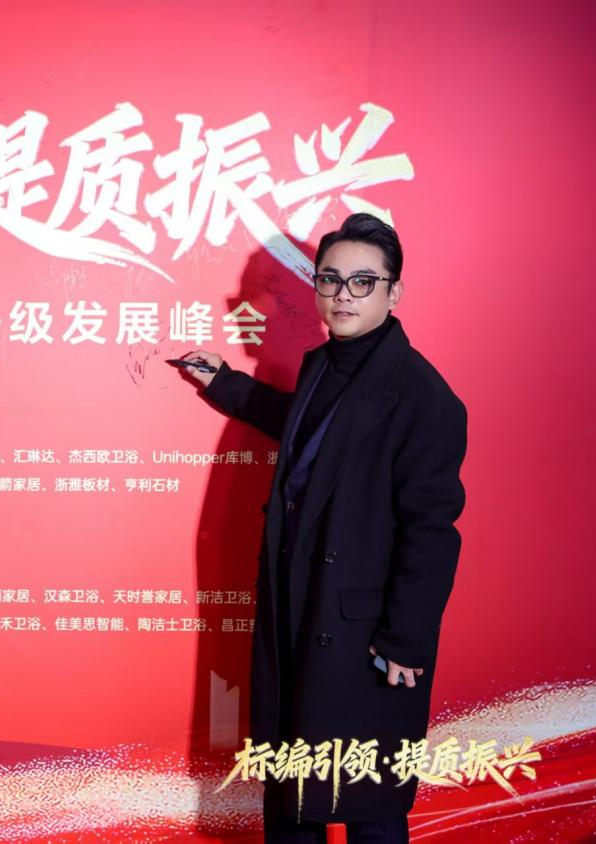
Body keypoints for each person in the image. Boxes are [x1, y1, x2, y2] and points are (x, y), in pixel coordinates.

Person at [179, 213, 467, 842]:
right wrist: (226, 385)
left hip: (364, 635)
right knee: (292, 799)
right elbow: (314, 435)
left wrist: (405, 640)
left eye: (363, 282)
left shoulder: (424, 397)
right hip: (297, 611)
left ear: (394, 292)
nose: (343, 295)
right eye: (330, 279)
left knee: (369, 806)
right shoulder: (324, 366)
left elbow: (432, 530)